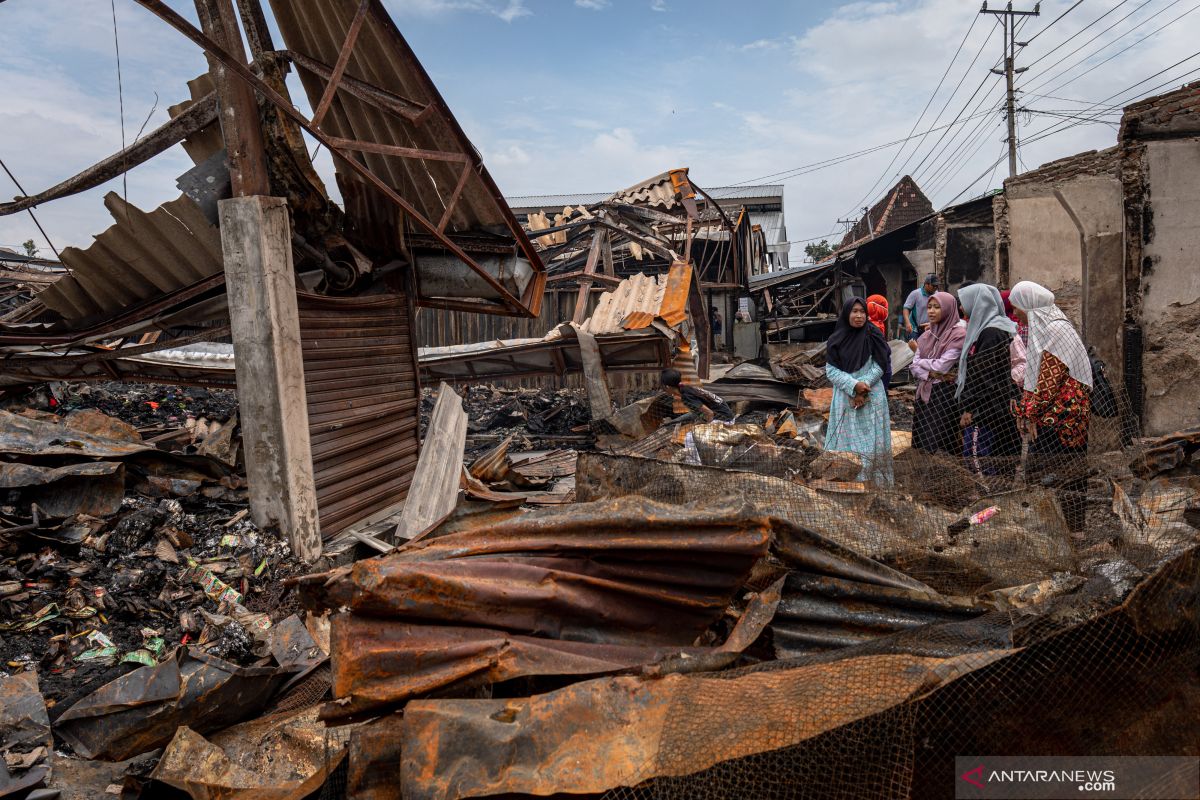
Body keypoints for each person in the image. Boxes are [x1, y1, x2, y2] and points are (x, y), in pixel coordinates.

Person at [1009, 281, 1092, 532]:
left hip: (1064, 419)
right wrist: (1028, 412)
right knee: (1047, 471)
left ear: (1029, 306)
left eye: (1017, 308)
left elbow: (1048, 380)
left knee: (1065, 472)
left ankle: (1070, 529)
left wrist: (1028, 413)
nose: (1015, 315)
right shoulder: (1045, 330)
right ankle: (1051, 527)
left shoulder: (1057, 330)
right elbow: (1038, 380)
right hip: (1051, 415)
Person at [955, 284, 1022, 477]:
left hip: (985, 411)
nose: (961, 308)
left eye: (965, 303)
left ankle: (987, 499)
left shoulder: (990, 333)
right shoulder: (991, 329)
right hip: (992, 407)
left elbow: (985, 376)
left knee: (976, 458)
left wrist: (970, 408)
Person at [825, 298, 893, 485]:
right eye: (854, 311)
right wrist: (853, 385)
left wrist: (863, 386)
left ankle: (875, 484)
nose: (859, 315)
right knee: (846, 443)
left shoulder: (874, 335)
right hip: (845, 397)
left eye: (862, 311)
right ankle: (846, 482)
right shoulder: (836, 339)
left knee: (872, 441)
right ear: (847, 313)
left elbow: (881, 365)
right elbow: (831, 371)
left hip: (872, 396)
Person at [908, 291, 966, 456]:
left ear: (948, 309)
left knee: (938, 441)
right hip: (924, 394)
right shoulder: (926, 335)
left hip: (943, 396)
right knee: (922, 443)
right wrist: (930, 373)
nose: (931, 311)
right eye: (929, 307)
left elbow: (942, 366)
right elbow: (914, 366)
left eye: (937, 307)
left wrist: (924, 365)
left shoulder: (958, 335)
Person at [657, 368, 734, 423]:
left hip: (725, 420)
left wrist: (707, 427)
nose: (662, 389)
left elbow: (709, 413)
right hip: (726, 415)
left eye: (662, 386)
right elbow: (700, 412)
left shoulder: (686, 396)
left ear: (667, 386)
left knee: (690, 438)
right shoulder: (685, 387)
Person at [902, 274, 940, 340]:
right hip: (915, 329)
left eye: (937, 286)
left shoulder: (937, 294)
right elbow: (906, 308)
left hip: (930, 328)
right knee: (914, 349)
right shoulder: (915, 294)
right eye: (933, 286)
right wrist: (907, 323)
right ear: (926, 284)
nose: (936, 287)